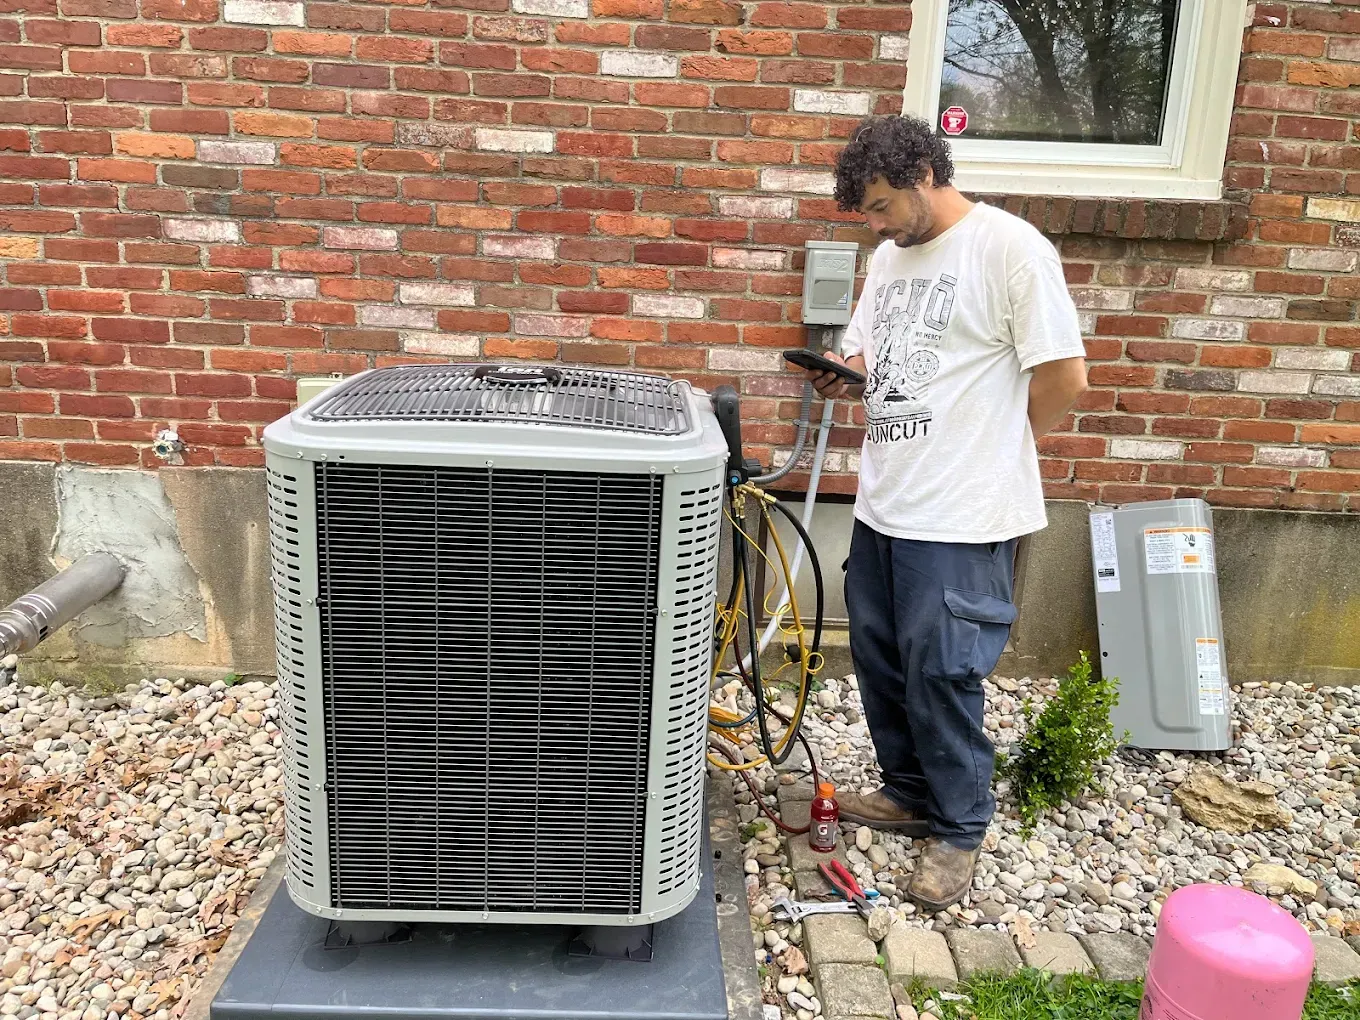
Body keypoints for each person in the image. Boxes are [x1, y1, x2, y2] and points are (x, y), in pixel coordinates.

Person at [802, 115, 1089, 912]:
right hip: (885, 502)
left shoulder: (1011, 249)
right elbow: (868, 353)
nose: (875, 223)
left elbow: (1065, 377)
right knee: (883, 659)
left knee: (944, 672)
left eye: (884, 205)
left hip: (961, 514)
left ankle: (959, 827)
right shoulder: (890, 260)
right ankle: (906, 792)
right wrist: (844, 373)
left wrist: (1002, 448)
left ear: (927, 172)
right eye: (865, 211)